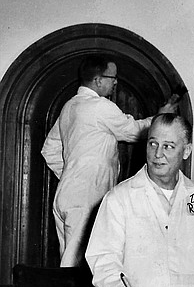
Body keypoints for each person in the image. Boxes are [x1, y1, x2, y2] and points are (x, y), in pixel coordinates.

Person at [86, 114, 194, 287]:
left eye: (169, 146)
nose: (158, 154)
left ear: (186, 151)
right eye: (153, 144)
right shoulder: (119, 198)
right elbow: (103, 259)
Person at [42, 54, 179, 271]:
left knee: (69, 263)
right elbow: (134, 131)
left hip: (67, 193)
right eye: (112, 77)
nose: (115, 82)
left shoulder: (70, 106)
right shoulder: (99, 106)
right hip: (86, 195)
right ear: (98, 80)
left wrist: (74, 173)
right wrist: (161, 117)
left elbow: (49, 150)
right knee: (78, 268)